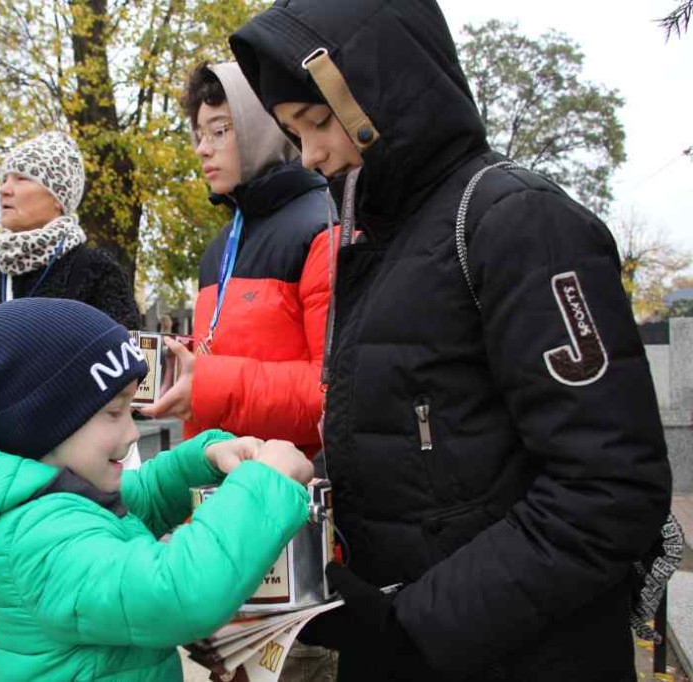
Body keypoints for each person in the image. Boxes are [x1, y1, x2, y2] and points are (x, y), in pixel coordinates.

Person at [229, 2, 673, 681]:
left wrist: (411, 626)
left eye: (319, 122)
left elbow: (607, 491)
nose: (313, 153)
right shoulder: (374, 247)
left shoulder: (518, 223)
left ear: (379, 91)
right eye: (294, 134)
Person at [0, 298, 315, 682]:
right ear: (44, 423)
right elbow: (177, 594)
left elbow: (143, 496)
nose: (132, 432)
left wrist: (204, 458)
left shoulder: (56, 492)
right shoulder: (38, 537)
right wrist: (266, 485)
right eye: (113, 413)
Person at [143, 62, 334, 460]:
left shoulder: (323, 228)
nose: (202, 148)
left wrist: (207, 385)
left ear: (262, 128)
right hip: (225, 488)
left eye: (220, 130)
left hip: (295, 492)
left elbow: (334, 390)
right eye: (198, 135)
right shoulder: (218, 250)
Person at [0, 131, 140, 415]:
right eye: (4, 179)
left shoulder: (94, 269)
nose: (4, 189)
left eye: (21, 178)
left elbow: (127, 369)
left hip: (71, 448)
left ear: (58, 197)